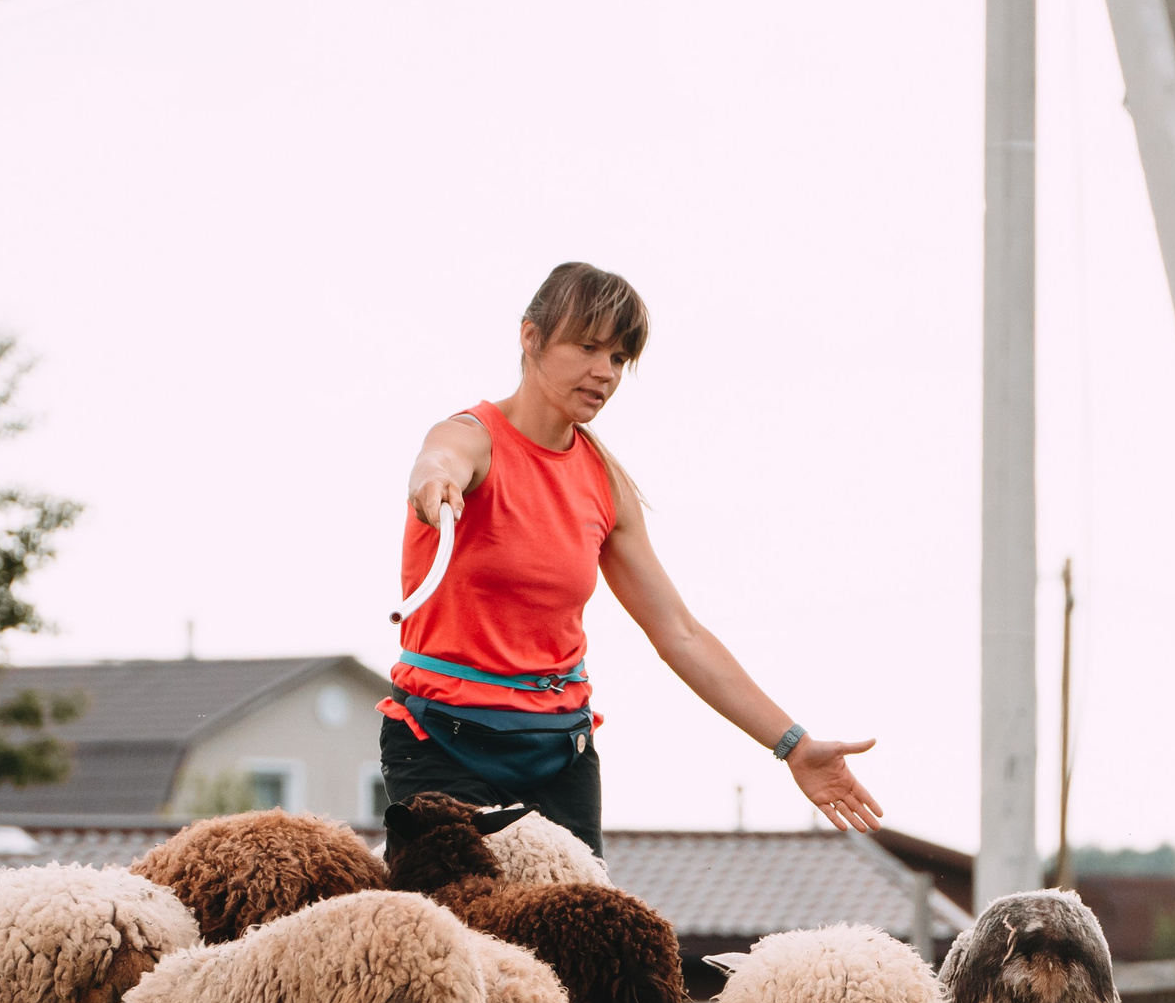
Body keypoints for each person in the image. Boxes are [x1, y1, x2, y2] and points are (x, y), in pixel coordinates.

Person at [377, 261, 881, 852]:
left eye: (619, 357)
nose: (605, 372)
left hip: (558, 753)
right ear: (531, 337)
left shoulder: (605, 483)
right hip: (441, 740)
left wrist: (794, 745)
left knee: (576, 913)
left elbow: (680, 634)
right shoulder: (472, 439)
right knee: (455, 909)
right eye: (588, 347)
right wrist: (435, 480)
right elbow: (441, 456)